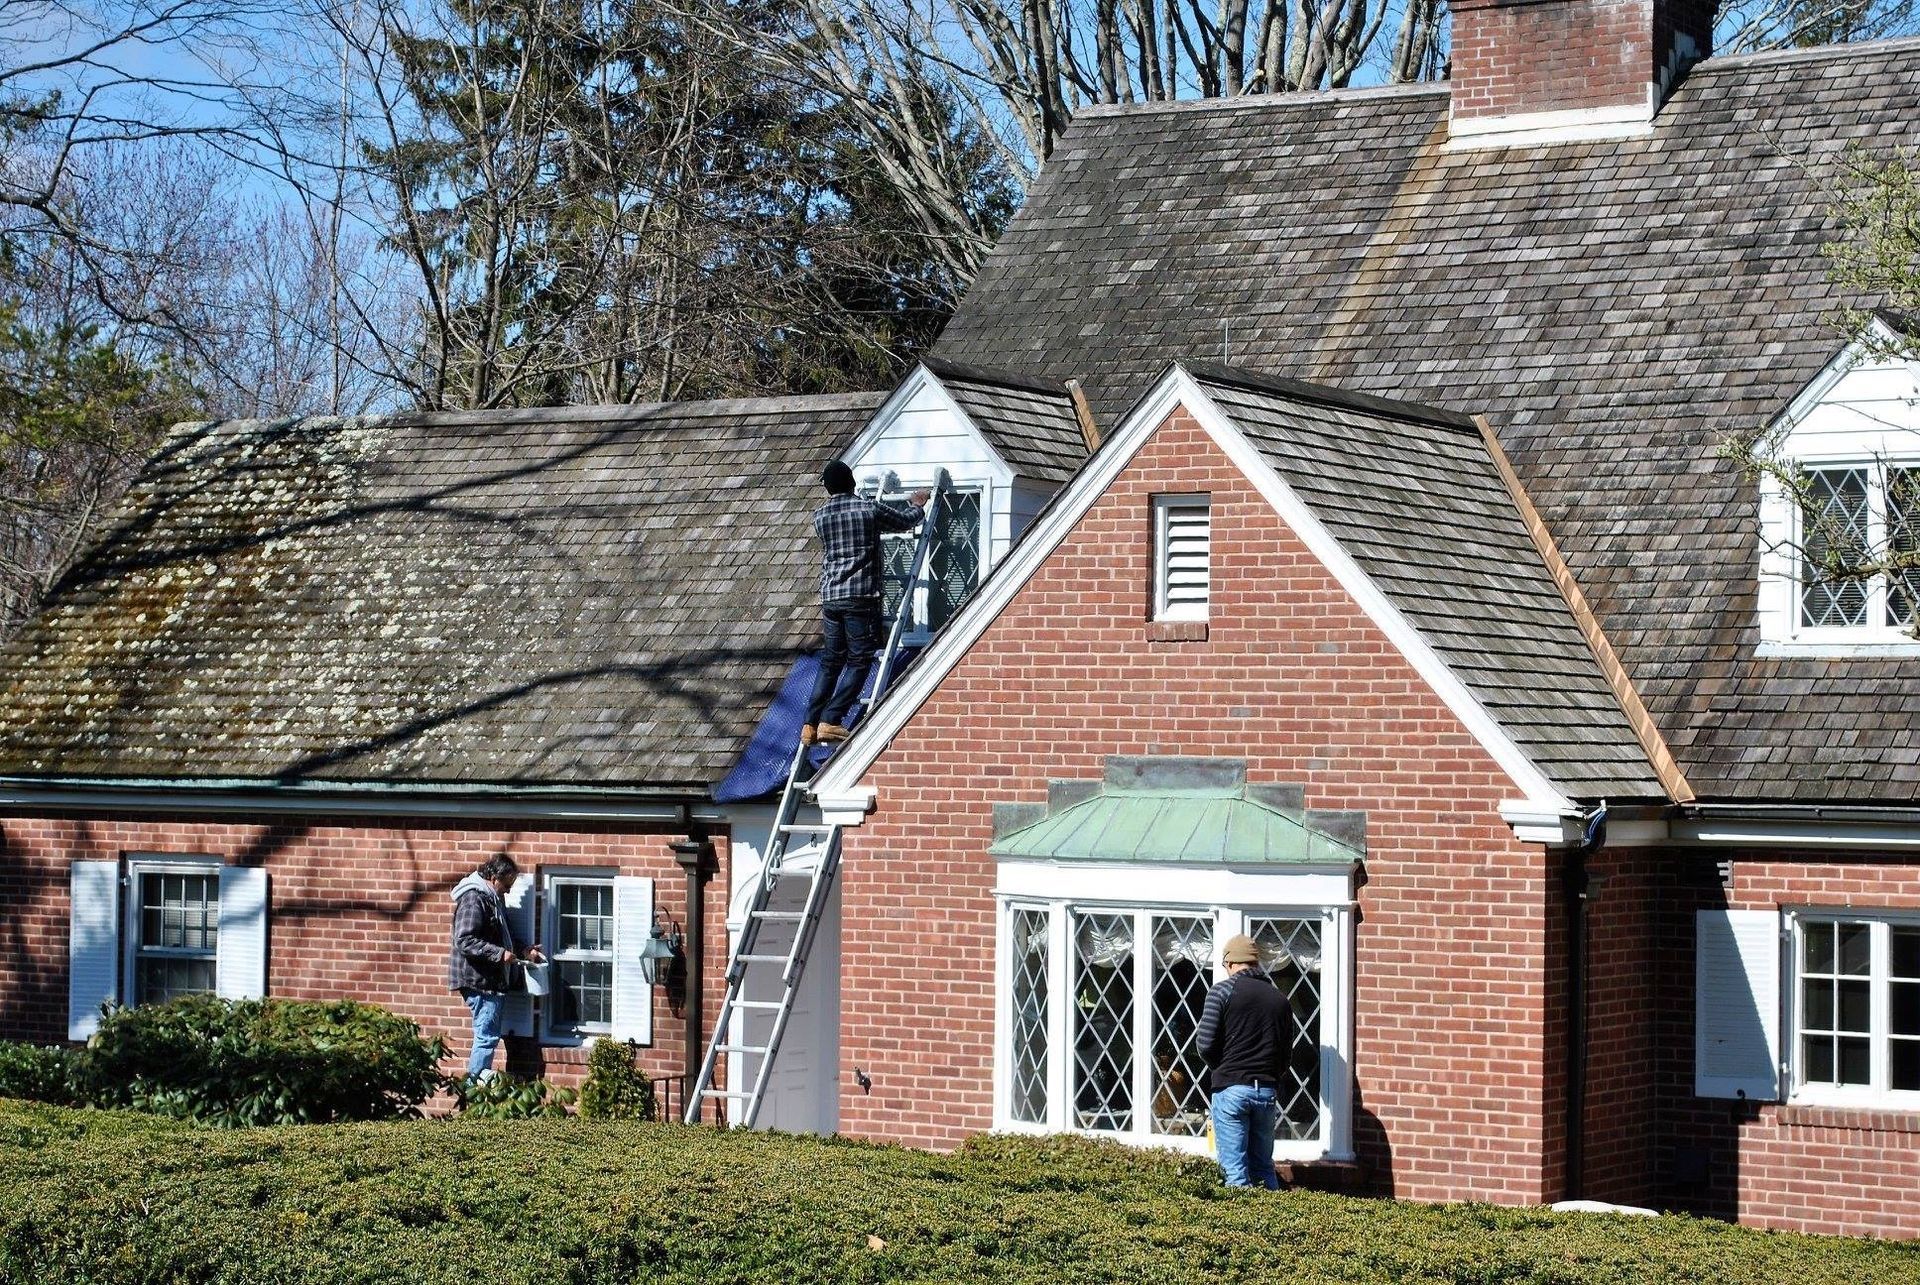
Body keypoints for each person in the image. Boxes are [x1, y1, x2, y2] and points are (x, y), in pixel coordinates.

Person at [802, 460, 929, 746]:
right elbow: (905, 521)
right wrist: (918, 504)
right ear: (852, 482)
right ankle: (831, 720)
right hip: (860, 595)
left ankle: (809, 724)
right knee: (859, 659)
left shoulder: (820, 516)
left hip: (830, 595)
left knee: (831, 661)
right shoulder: (867, 509)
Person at [1195, 933, 1288, 1189]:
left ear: (1231, 963)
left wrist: (1222, 1068)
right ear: (1255, 962)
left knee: (1234, 1172)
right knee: (1263, 1168)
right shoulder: (1279, 999)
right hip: (1266, 1091)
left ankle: (1241, 1227)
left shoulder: (1221, 992)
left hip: (1231, 1089)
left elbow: (1204, 1044)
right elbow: (1285, 1055)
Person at [448, 854, 543, 1081]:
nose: (508, 891)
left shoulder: (492, 899)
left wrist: (523, 951)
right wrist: (499, 954)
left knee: (487, 1035)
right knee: (487, 1036)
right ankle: (474, 1090)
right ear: (493, 877)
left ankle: (476, 1086)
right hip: (478, 980)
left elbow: (504, 936)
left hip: (490, 980)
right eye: (506, 885)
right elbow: (464, 940)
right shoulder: (474, 899)